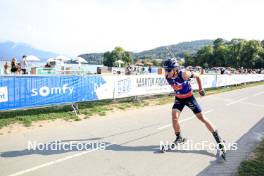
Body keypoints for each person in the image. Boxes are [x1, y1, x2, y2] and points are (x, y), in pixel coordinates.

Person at [163, 58, 225, 157]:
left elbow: (198, 76)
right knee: (174, 117)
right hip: (179, 99)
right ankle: (179, 137)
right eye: (165, 70)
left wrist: (200, 89)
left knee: (202, 118)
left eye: (169, 70)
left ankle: (219, 139)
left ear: (175, 69)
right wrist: (176, 91)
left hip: (189, 98)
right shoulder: (167, 75)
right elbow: (177, 86)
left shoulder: (184, 74)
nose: (167, 72)